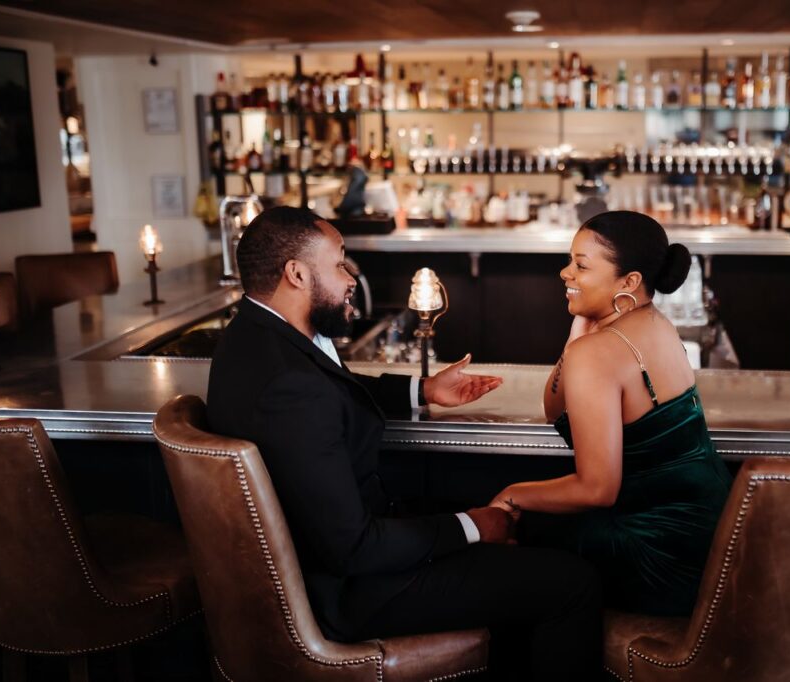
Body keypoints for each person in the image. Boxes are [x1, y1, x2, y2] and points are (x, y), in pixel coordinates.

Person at [207, 206, 602, 679]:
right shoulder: (291, 388)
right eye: (339, 263)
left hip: (344, 556)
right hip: (352, 591)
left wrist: (423, 389)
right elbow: (354, 547)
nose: (350, 279)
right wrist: (474, 527)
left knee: (526, 535)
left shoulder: (253, 337)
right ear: (296, 274)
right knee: (572, 584)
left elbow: (334, 388)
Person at [490, 210, 732, 617]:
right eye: (569, 261)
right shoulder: (654, 322)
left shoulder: (600, 351)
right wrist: (577, 335)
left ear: (629, 282)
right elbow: (554, 409)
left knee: (505, 555)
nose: (565, 273)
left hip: (659, 552)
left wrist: (512, 493)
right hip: (709, 534)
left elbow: (597, 489)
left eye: (581, 266)